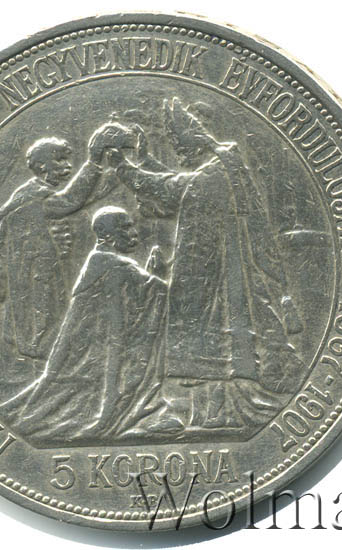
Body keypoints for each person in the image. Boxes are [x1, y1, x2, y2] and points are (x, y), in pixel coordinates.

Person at [115, 98, 303, 431]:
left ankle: (220, 416)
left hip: (212, 283)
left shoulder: (210, 178)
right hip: (224, 278)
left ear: (195, 144)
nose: (178, 155)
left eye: (180, 148)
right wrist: (142, 161)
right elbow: (181, 183)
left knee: (215, 349)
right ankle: (214, 413)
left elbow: (172, 189)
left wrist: (124, 167)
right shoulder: (223, 170)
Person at [9, 206, 170, 447]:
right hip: (101, 358)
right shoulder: (116, 265)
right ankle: (109, 414)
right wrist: (158, 276)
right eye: (126, 228)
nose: (134, 233)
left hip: (84, 357)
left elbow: (134, 301)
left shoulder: (97, 261)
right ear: (108, 235)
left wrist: (150, 280)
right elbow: (155, 292)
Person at [0, 123, 135, 365]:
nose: (67, 167)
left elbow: (79, 201)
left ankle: (46, 353)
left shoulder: (34, 194)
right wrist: (93, 161)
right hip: (35, 272)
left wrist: (114, 174)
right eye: (60, 161)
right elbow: (70, 202)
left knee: (48, 312)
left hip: (41, 267)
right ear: (42, 166)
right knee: (43, 314)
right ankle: (44, 355)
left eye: (67, 161)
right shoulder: (30, 198)